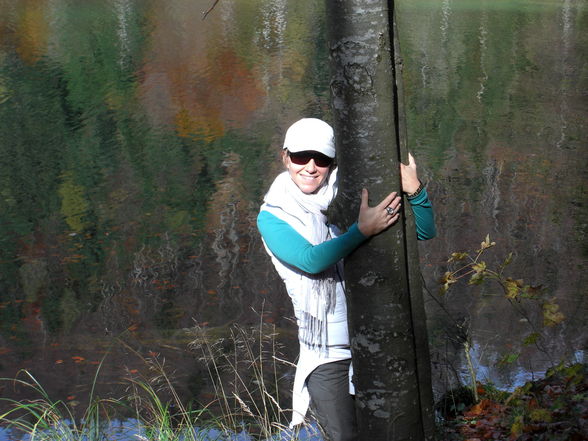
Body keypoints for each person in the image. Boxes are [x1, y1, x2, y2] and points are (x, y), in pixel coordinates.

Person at [257, 118, 436, 441]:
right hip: (326, 353)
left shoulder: (352, 193)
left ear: (333, 163)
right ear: (285, 157)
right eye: (301, 157)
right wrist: (362, 231)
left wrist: (415, 191)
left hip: (380, 340)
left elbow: (424, 232)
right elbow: (311, 261)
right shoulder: (273, 215)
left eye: (321, 160)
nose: (310, 167)